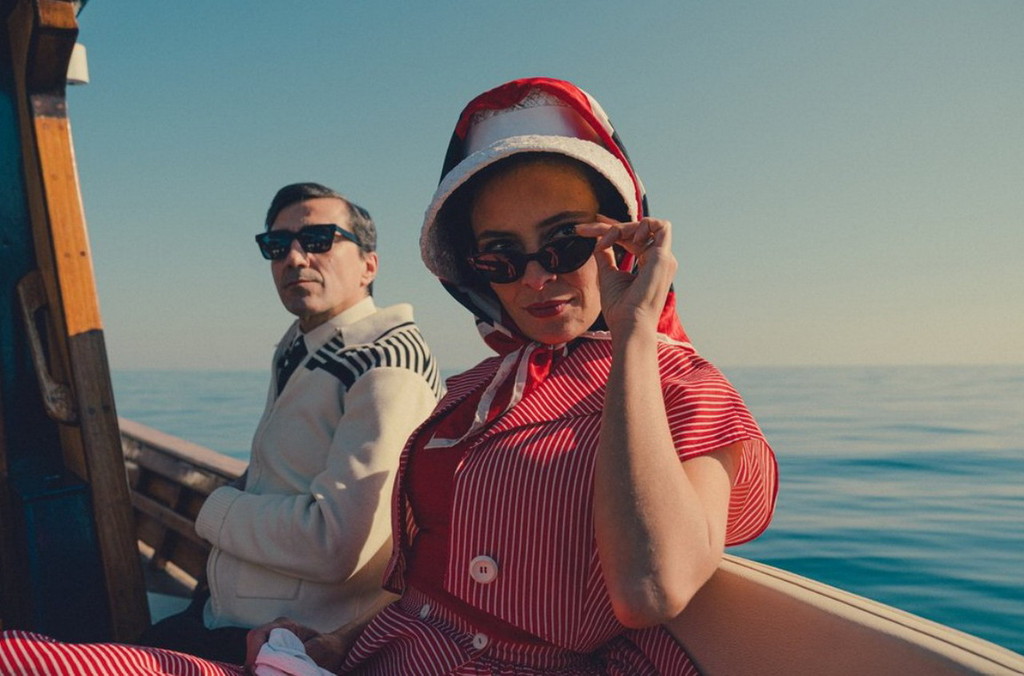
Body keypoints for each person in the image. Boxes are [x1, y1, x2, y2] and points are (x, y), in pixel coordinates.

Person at [245, 78, 779, 674]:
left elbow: (651, 589)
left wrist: (633, 331)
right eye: (500, 255)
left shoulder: (683, 387)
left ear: (621, 239)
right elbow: (430, 588)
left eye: (563, 244)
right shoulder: (474, 391)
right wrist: (338, 641)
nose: (533, 278)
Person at [134, 183, 444, 663]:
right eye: (277, 246)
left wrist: (215, 509)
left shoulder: (385, 364)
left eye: (319, 240)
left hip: (293, 640)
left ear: (369, 265)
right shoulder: (304, 345)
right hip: (231, 611)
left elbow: (337, 544)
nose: (295, 258)